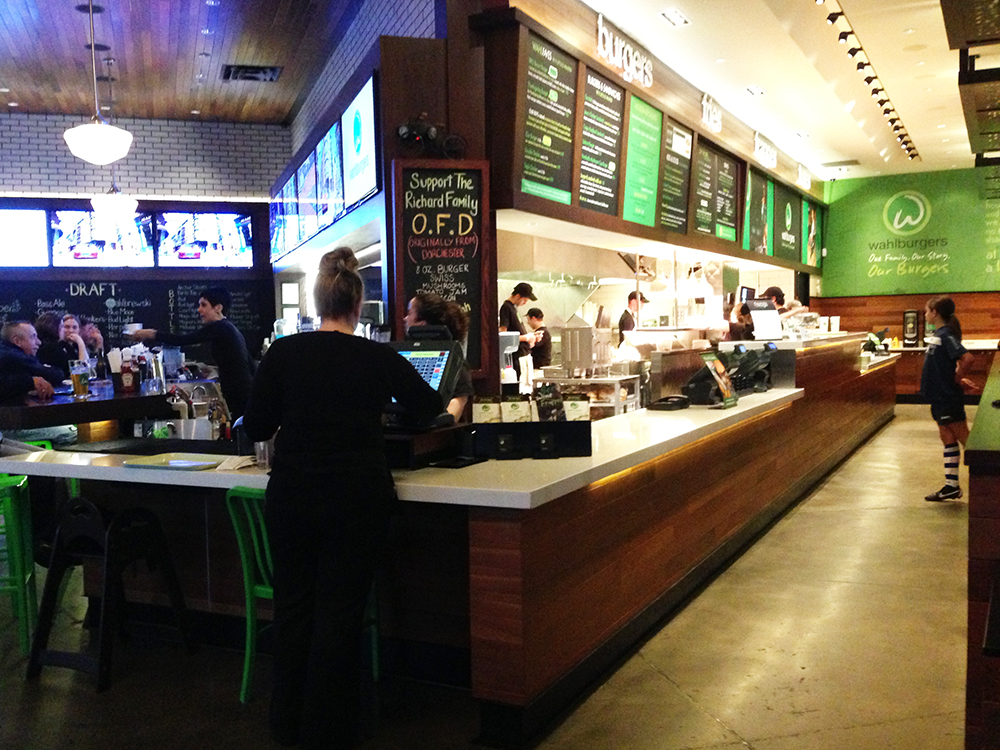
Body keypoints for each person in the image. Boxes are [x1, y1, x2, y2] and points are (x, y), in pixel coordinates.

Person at [241, 247, 442, 749]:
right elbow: (428, 406)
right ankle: (329, 732)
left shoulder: (282, 353)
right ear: (358, 306)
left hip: (293, 497)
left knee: (293, 609)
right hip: (357, 498)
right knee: (340, 613)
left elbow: (257, 425)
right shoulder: (377, 356)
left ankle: (286, 725)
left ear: (316, 303)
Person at [132, 286, 255, 419]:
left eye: (204, 305)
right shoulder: (229, 328)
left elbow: (182, 340)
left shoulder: (220, 327)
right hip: (244, 391)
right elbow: (248, 362)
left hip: (238, 392)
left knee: (240, 427)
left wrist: (151, 334)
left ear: (218, 308)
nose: (199, 310)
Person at [920, 296, 975, 501]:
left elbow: (967, 358)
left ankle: (991, 476)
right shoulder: (938, 335)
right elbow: (944, 365)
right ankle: (951, 486)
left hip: (947, 397)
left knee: (966, 439)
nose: (925, 314)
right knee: (947, 436)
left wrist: (958, 377)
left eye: (927, 311)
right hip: (938, 397)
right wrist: (956, 376)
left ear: (935, 312)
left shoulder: (945, 335)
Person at [404, 291, 474, 421]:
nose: (405, 319)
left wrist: (434, 423)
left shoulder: (455, 360)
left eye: (409, 313)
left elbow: (455, 408)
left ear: (422, 323)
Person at [0, 321, 63, 402]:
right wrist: (31, 381)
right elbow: (54, 375)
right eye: (33, 337)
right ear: (17, 341)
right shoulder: (14, 357)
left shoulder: (4, 350)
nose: (39, 342)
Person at [498, 282, 537, 377]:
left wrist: (530, 338)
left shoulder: (513, 308)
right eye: (525, 300)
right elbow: (503, 333)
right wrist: (526, 338)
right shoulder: (506, 308)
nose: (525, 303)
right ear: (518, 296)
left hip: (523, 352)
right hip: (517, 354)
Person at [35, 312, 84, 376]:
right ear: (54, 328)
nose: (70, 331)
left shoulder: (61, 345)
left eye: (74, 327)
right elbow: (80, 371)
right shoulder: (51, 348)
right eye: (62, 327)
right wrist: (81, 343)